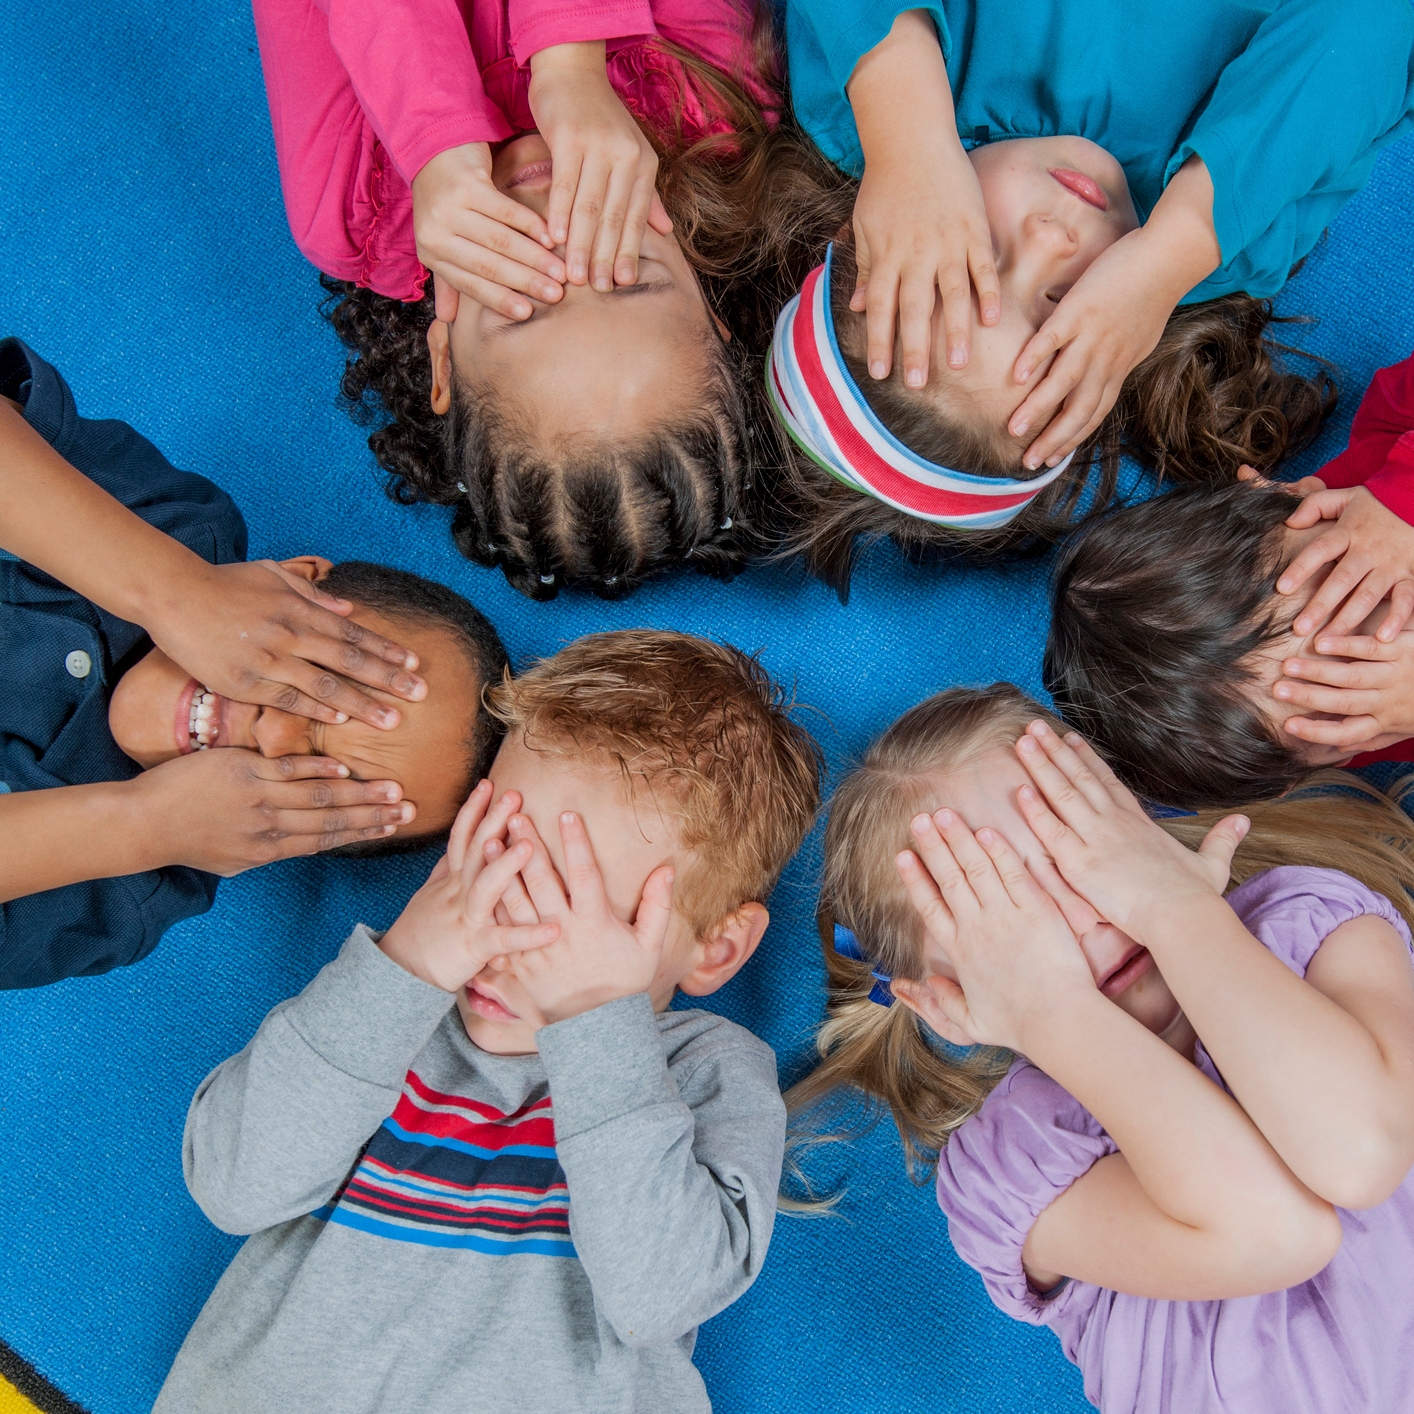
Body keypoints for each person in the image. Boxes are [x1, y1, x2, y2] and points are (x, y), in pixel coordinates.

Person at [154, 630, 824, 1413]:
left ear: (716, 947)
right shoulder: (384, 1011)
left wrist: (593, 1024)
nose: (505, 936)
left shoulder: (707, 1070)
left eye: (573, 916)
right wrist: (406, 963)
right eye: (495, 861)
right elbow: (232, 1187)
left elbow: (661, 1295)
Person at [789, 683, 1414, 1412]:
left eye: (1076, 851)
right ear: (946, 1003)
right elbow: (1277, 1234)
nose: (1085, 917)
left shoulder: (1308, 924)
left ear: (1129, 819)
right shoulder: (1014, 1163)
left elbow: (1360, 1155)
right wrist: (1054, 1012)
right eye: (1015, 916)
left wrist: (1176, 909)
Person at [767, 0, 1414, 597]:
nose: (1052, 240)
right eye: (1061, 303)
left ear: (868, 231)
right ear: (1117, 353)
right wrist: (1173, 250)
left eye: (978, 250)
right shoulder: (1226, 237)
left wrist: (907, 147)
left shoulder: (883, 100)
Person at [0, 337, 508, 988]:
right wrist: (172, 590)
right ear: (293, 582)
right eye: (322, 683)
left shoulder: (127, 890)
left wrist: (140, 826)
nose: (274, 732)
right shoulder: (183, 532)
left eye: (318, 774)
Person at [252, 0, 787, 599]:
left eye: (524, 300)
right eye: (627, 274)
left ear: (444, 360)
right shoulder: (710, 104)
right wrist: (569, 68)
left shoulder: (351, 209)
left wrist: (433, 139)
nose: (559, 232)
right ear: (715, 312)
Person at [1045, 349, 1414, 810]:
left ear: (1285, 494)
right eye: (1353, 689)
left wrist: (1402, 498)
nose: (1398, 634)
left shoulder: (1381, 472)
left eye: (1353, 583)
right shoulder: (1392, 724)